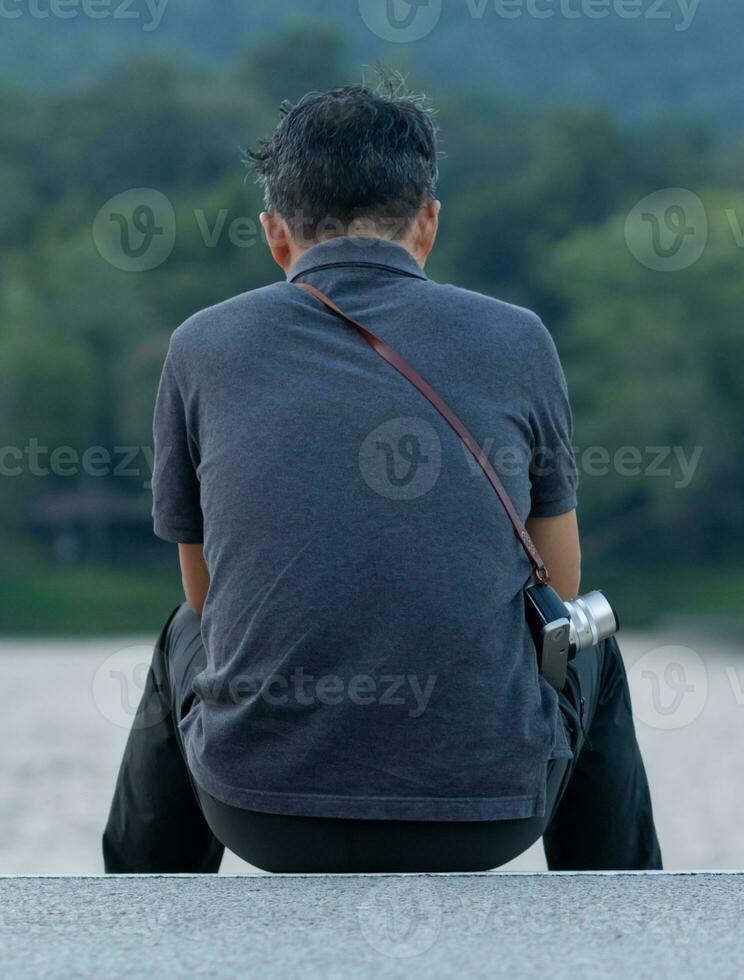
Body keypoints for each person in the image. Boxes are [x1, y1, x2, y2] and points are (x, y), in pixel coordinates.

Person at [102, 79, 661, 874]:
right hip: (491, 814)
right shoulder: (518, 339)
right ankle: (628, 926)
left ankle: (136, 919)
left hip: (258, 814)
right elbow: (560, 590)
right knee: (593, 648)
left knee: (181, 637)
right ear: (428, 222)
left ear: (275, 234)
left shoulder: (201, 346)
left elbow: (206, 599)